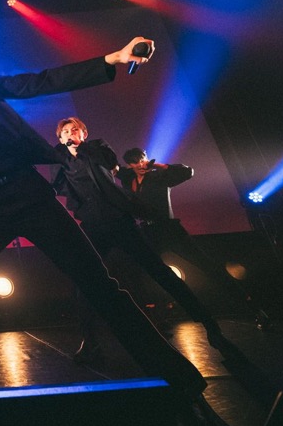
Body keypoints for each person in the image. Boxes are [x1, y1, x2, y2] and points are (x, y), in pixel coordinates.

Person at [0, 37, 246, 426]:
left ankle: (185, 387)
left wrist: (112, 59)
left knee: (100, 287)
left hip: (26, 196)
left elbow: (40, 81)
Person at [51, 118, 244, 363]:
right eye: (66, 132)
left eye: (75, 130)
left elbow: (110, 163)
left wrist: (83, 149)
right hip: (92, 226)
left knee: (159, 271)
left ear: (84, 133)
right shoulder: (59, 159)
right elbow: (58, 186)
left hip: (119, 221)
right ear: (60, 138)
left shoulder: (97, 147)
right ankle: (90, 342)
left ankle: (209, 325)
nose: (71, 134)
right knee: (84, 280)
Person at [119, 147, 269, 328]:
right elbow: (113, 170)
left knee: (207, 266)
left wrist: (158, 165)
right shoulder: (128, 179)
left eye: (142, 159)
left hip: (169, 229)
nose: (140, 164)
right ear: (130, 165)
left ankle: (253, 308)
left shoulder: (159, 177)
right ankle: (156, 319)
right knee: (148, 273)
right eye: (135, 162)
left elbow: (187, 172)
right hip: (148, 232)